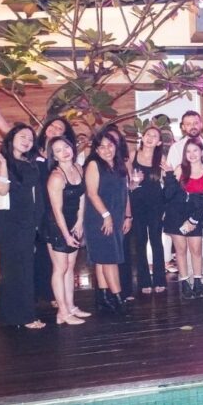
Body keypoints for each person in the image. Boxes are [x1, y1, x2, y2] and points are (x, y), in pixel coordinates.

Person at [0, 123, 45, 328]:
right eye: (23, 136)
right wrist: (4, 163)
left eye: (30, 138)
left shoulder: (30, 162)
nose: (27, 141)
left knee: (25, 267)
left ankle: (13, 315)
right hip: (8, 221)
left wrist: (37, 220)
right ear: (11, 138)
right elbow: (1, 189)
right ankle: (24, 317)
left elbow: (34, 193)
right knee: (12, 268)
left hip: (27, 220)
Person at [167, 111, 203, 286]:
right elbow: (173, 176)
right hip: (184, 202)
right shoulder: (176, 148)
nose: (193, 126)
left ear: (201, 124)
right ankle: (189, 273)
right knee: (187, 237)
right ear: (183, 127)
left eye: (195, 122)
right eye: (188, 123)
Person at [83, 129, 131, 311]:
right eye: (101, 147)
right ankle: (118, 299)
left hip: (115, 217)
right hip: (99, 218)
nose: (106, 150)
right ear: (96, 150)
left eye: (109, 145)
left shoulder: (119, 166)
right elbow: (92, 194)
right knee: (110, 259)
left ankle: (103, 298)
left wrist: (128, 216)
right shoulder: (94, 165)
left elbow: (125, 193)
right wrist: (106, 216)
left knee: (103, 259)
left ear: (116, 146)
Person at [44, 136, 88, 324]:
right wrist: (66, 235)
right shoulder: (56, 177)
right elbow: (57, 211)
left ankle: (70, 306)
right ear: (54, 156)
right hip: (57, 225)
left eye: (66, 147)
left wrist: (80, 221)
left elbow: (82, 197)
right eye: (58, 150)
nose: (64, 152)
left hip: (73, 223)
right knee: (60, 268)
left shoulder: (78, 168)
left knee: (71, 267)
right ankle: (62, 312)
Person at [163, 139, 203, 299]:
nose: (192, 154)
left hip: (195, 214)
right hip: (175, 214)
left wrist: (193, 220)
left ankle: (197, 282)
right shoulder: (180, 169)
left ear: (202, 152)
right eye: (188, 151)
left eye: (195, 150)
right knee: (181, 250)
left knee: (196, 250)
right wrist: (170, 176)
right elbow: (168, 195)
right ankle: (185, 282)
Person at [129, 125, 167, 294]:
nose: (150, 138)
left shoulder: (161, 158)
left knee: (156, 241)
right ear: (142, 137)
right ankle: (144, 280)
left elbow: (167, 182)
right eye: (148, 135)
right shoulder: (133, 155)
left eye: (155, 136)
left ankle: (160, 279)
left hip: (156, 204)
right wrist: (133, 183)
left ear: (159, 142)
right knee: (140, 241)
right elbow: (126, 183)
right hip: (137, 203)